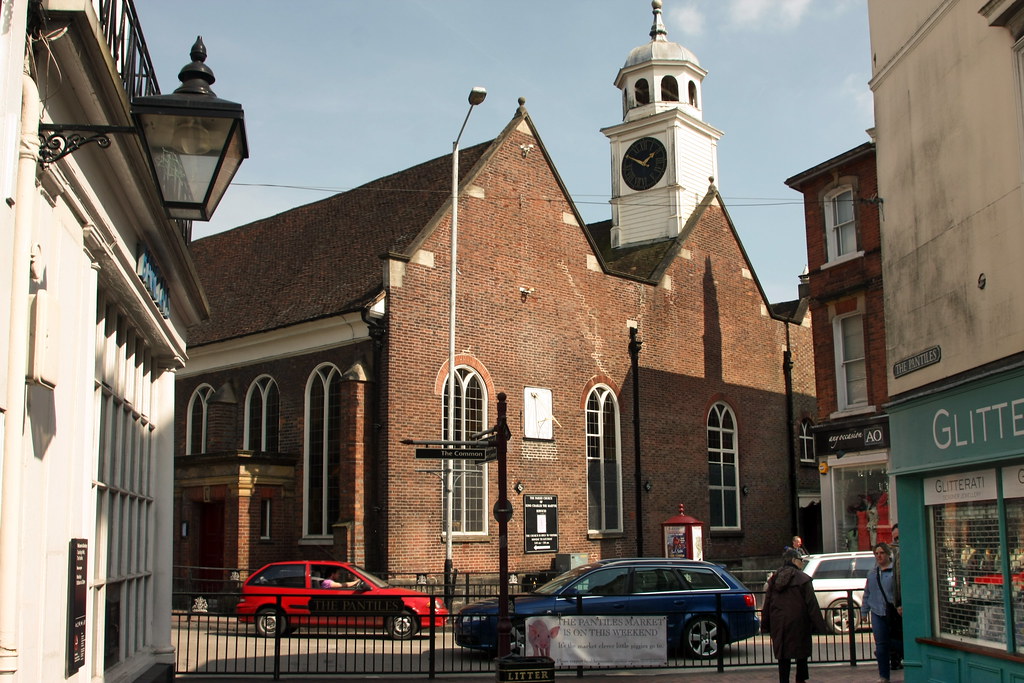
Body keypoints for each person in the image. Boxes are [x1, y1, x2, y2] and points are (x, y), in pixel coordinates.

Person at [762, 547, 828, 683]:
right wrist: (820, 626)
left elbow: (767, 604)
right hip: (799, 621)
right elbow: (812, 604)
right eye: (800, 560)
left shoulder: (774, 579)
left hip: (779, 621)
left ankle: (784, 680)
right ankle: (800, 679)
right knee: (801, 653)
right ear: (793, 560)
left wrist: (765, 625)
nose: (802, 563)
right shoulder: (802, 579)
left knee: (783, 655)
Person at [861, 542, 902, 683]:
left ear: (888, 554)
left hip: (893, 612)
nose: (879, 556)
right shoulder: (872, 573)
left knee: (898, 642)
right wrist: (864, 612)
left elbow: (901, 590)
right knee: (881, 646)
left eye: (881, 553)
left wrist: (900, 604)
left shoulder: (896, 571)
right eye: (876, 553)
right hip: (877, 612)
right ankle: (884, 676)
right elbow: (867, 593)